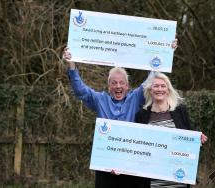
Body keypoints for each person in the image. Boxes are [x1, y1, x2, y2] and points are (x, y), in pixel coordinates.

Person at [63, 40, 178, 188]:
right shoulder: (99, 99)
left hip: (131, 165)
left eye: (121, 83)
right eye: (114, 83)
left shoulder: (136, 97)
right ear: (109, 86)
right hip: (106, 166)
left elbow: (153, 75)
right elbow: (80, 90)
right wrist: (71, 62)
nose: (118, 86)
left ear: (127, 85)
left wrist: (167, 50)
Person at [135, 72, 208, 188]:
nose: (160, 89)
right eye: (156, 86)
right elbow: (136, 146)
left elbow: (189, 140)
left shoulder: (180, 111)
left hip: (178, 179)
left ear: (168, 90)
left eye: (163, 86)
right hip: (153, 181)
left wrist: (197, 140)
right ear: (150, 90)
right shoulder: (141, 115)